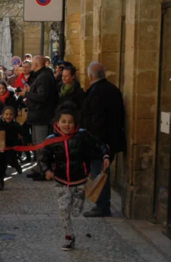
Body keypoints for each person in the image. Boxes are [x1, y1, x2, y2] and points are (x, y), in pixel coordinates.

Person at [42, 104, 111, 249]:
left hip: (80, 181)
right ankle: (69, 237)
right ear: (57, 123)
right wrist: (47, 170)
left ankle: (78, 201)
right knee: (64, 209)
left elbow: (100, 145)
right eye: (64, 121)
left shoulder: (82, 135)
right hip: (61, 181)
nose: (67, 125)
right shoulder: (52, 140)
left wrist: (105, 155)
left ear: (75, 123)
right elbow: (44, 159)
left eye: (70, 122)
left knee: (76, 211)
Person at [81, 62, 125, 218]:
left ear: (90, 76)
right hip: (110, 138)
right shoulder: (112, 89)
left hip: (100, 141)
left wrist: (95, 142)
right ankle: (101, 204)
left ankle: (102, 206)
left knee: (99, 173)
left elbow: (96, 120)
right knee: (101, 172)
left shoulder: (97, 92)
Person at [18, 55, 58, 181]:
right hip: (38, 115)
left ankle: (44, 170)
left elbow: (42, 97)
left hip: (42, 115)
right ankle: (39, 167)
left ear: (35, 65)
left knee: (41, 144)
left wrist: (27, 94)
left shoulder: (44, 76)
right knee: (37, 143)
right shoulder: (41, 75)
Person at [0, 106, 26, 190]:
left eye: (11, 114)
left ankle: (16, 164)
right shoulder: (0, 123)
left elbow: (23, 133)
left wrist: (25, 140)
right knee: (1, 165)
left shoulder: (16, 125)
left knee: (11, 160)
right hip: (1, 147)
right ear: (2, 115)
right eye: (6, 114)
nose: (8, 116)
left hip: (12, 147)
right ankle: (1, 182)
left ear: (14, 116)